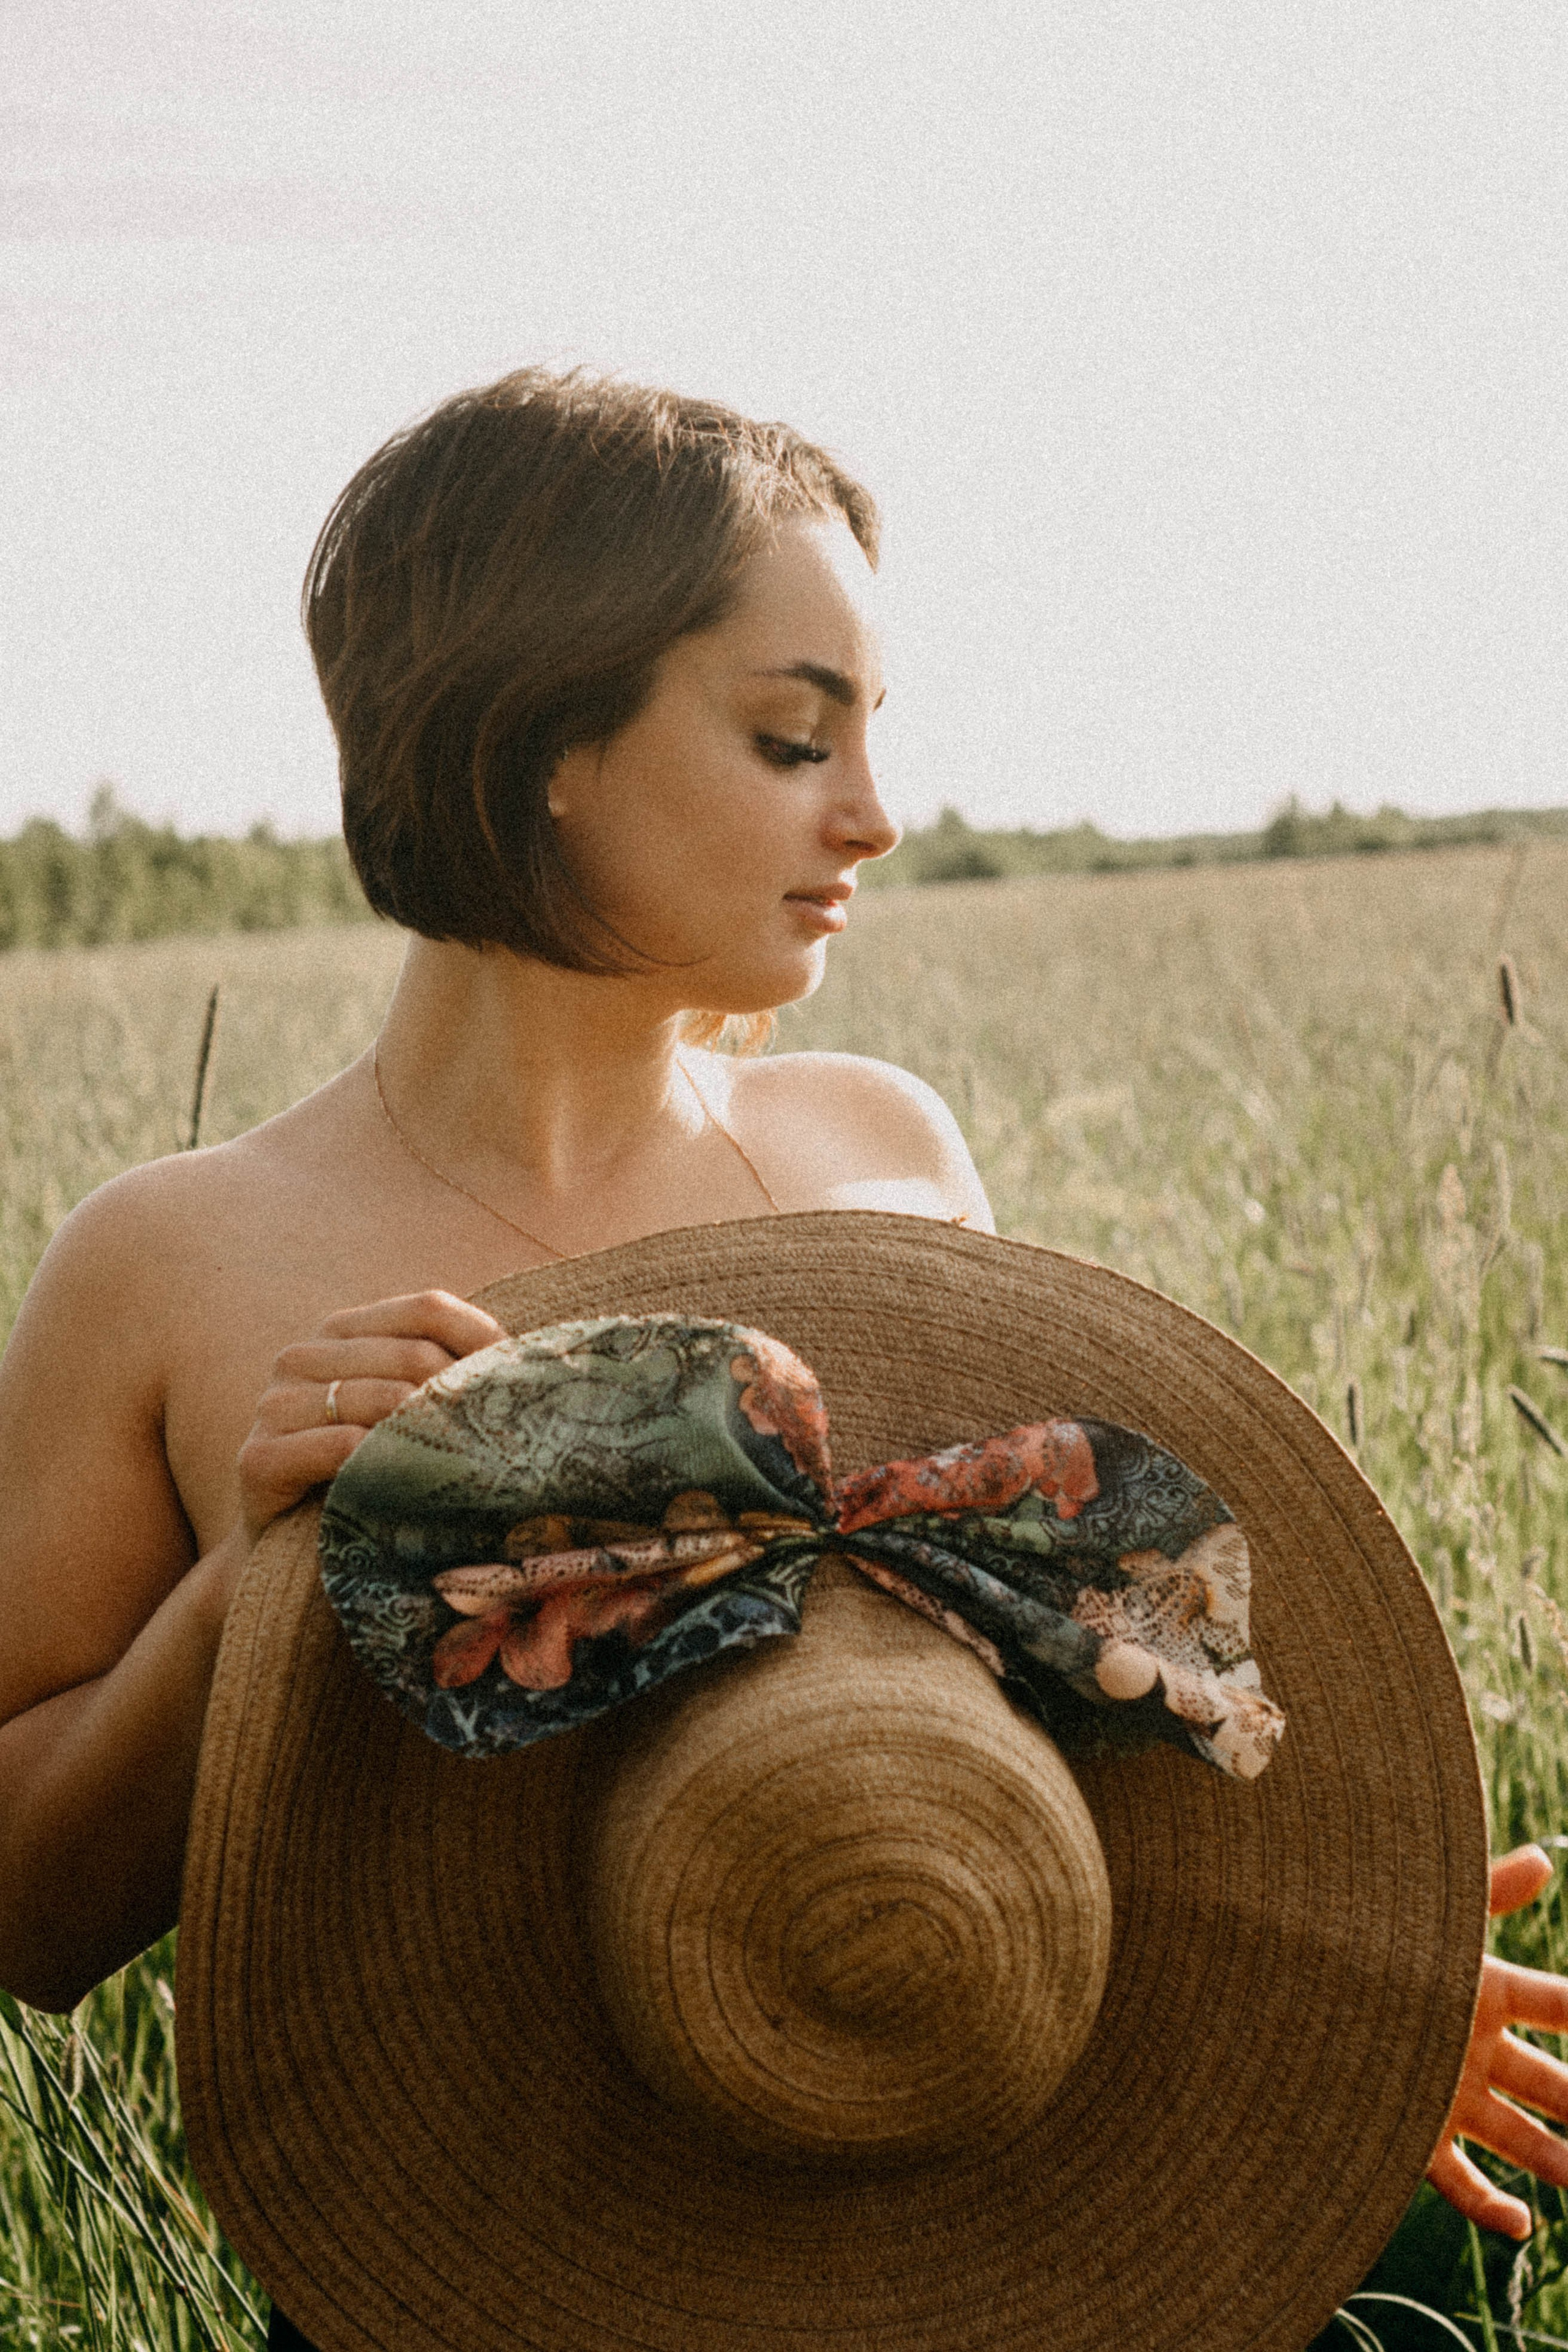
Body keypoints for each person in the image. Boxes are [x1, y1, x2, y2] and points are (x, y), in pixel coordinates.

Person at [0, 368, 1562, 2335]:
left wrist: (1327, 1996)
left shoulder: (881, 1157)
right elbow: (29, 1921)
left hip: (952, 2217)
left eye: (867, 739)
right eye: (789, 735)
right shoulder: (168, 1263)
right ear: (535, 738)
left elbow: (1018, 1707)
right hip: (476, 2268)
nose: (878, 817)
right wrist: (265, 1577)